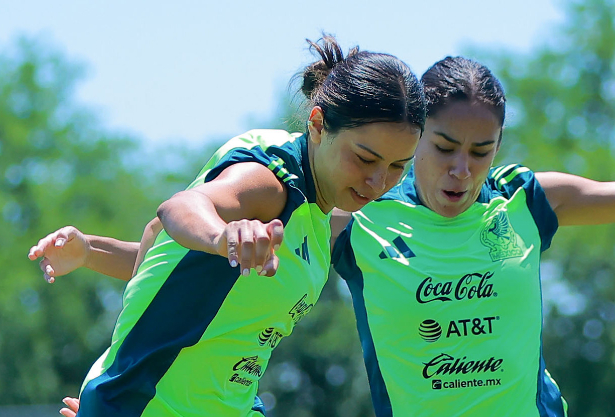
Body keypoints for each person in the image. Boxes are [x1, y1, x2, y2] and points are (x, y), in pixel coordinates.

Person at [33, 56, 615, 416]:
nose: (459, 168)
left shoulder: (524, 206)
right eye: (443, 149)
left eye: (478, 151)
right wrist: (115, 337)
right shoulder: (357, 217)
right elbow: (207, 241)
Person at [27, 34, 426, 417]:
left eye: (397, 167)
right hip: (143, 405)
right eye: (366, 158)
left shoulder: (321, 211)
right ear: (319, 125)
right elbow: (181, 208)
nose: (379, 182)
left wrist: (90, 252)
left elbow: (160, 245)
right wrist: (223, 237)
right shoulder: (269, 184)